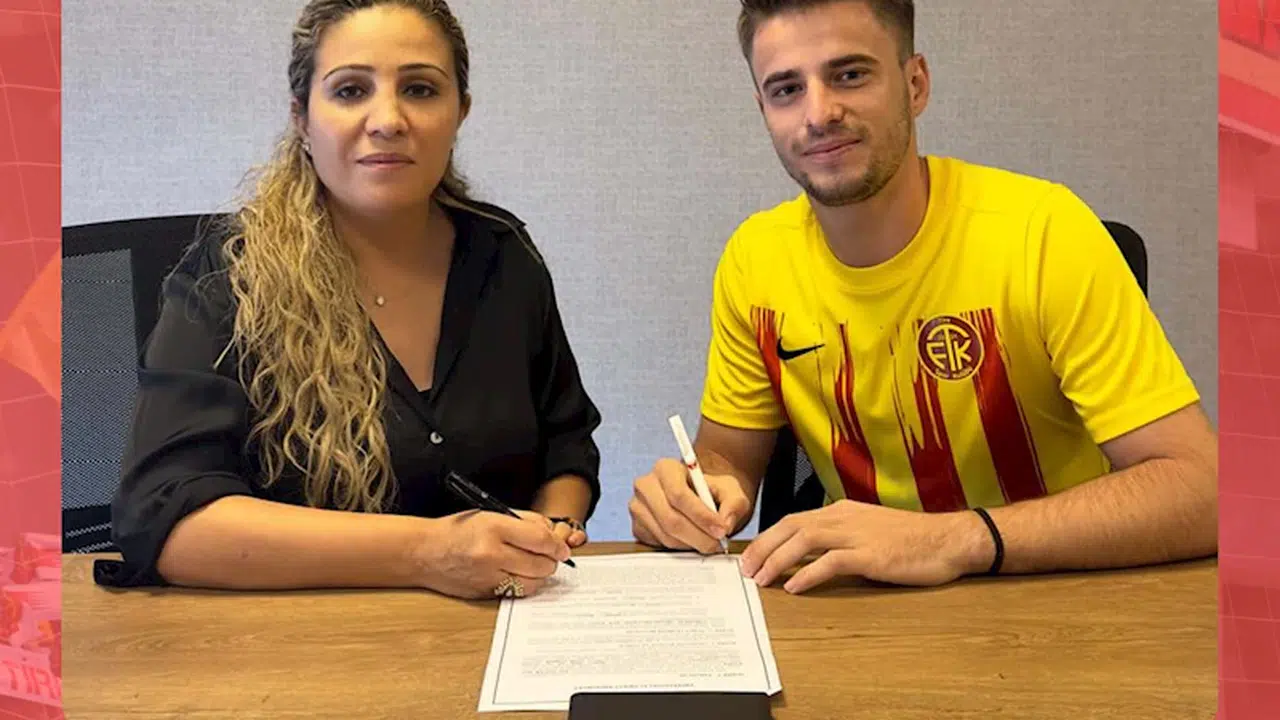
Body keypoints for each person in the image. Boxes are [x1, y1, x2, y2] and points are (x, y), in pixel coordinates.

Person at [629, 0, 1217, 594]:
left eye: (849, 75)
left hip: (1053, 595)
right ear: (764, 110)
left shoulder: (1044, 233)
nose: (819, 113)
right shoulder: (754, 260)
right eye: (786, 90)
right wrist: (694, 496)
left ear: (915, 85)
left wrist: (950, 540)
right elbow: (728, 459)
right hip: (859, 606)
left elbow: (1206, 490)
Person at [101, 0, 602, 601]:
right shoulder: (231, 270)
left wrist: (552, 529)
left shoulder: (504, 253)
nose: (387, 119)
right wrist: (427, 553)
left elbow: (566, 442)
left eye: (420, 89)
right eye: (350, 91)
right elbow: (166, 520)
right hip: (297, 641)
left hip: (497, 628)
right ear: (301, 117)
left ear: (460, 113)